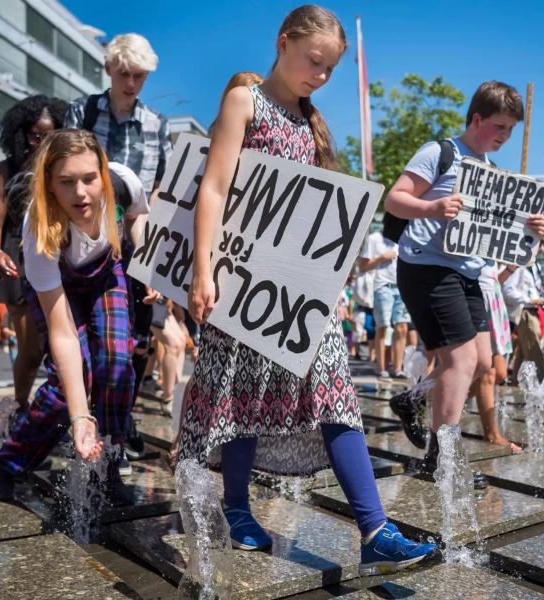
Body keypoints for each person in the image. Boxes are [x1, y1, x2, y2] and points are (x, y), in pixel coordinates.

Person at [179, 6, 440, 575]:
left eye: (328, 70)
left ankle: (374, 527)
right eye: (313, 62)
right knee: (238, 395)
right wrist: (203, 269)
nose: (319, 76)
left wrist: (336, 271)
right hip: (241, 280)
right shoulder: (244, 102)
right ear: (283, 43)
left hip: (299, 289)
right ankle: (238, 509)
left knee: (336, 392)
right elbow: (215, 188)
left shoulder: (312, 122)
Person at [385, 79, 544, 473]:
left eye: (511, 129)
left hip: (469, 272)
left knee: (479, 364)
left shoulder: (492, 172)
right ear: (476, 119)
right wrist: (434, 207)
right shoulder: (439, 153)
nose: (506, 136)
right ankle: (441, 461)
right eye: (499, 127)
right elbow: (394, 198)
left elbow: (498, 231)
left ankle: (415, 399)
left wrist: (530, 229)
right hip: (427, 267)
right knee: (458, 361)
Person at [0, 129, 156, 501]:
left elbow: (139, 219)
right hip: (59, 285)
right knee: (69, 380)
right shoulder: (38, 225)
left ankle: (107, 469)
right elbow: (62, 334)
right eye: (66, 182)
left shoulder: (125, 183)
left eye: (90, 179)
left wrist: (146, 263)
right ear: (49, 185)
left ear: (104, 174)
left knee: (117, 364)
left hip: (106, 274)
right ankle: (9, 466)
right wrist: (80, 417)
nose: (81, 193)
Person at [66, 32, 173, 459]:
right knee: (92, 338)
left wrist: (149, 261)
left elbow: (155, 197)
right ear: (109, 69)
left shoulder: (156, 124)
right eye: (125, 74)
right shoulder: (83, 110)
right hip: (84, 235)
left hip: (134, 235)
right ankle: (85, 414)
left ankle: (121, 417)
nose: (132, 84)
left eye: (141, 76)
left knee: (138, 337)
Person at [0, 95, 68, 410]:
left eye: (50, 135)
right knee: (31, 349)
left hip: (57, 255)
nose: (41, 142)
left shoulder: (63, 167)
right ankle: (19, 408)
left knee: (61, 346)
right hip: (16, 257)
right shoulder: (6, 170)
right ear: (21, 133)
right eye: (35, 135)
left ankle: (54, 412)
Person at [473, 262, 521, 452]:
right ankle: (491, 433)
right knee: (488, 374)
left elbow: (494, 278)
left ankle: (437, 401)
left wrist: (510, 268)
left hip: (493, 298)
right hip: (477, 298)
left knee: (500, 374)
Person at [359, 228, 410, 378]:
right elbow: (362, 266)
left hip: (402, 286)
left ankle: (398, 369)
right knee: (383, 327)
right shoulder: (374, 238)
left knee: (402, 328)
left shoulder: (405, 237)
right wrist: (382, 257)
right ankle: (381, 368)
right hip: (382, 287)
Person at [504, 238, 544, 383]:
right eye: (539, 243)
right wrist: (528, 300)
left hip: (534, 310)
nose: (542, 247)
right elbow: (507, 289)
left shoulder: (535, 266)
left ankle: (517, 381)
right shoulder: (520, 266)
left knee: (524, 352)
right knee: (533, 351)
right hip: (526, 311)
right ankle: (538, 382)